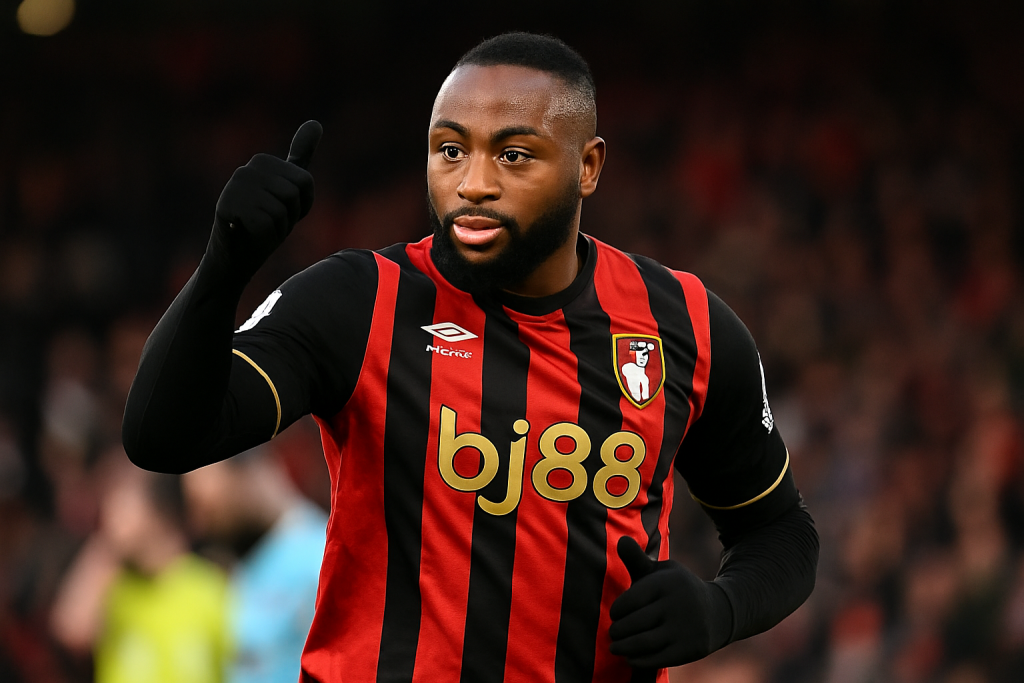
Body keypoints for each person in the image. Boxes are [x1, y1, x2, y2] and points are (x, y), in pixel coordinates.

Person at [122, 31, 819, 682]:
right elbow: (163, 434)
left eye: (513, 155)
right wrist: (222, 268)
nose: (473, 183)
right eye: (450, 150)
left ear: (587, 167)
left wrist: (720, 610)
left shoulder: (685, 323)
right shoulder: (359, 300)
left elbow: (780, 530)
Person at [50, 455, 229, 683]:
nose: (110, 511)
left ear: (158, 510)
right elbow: (71, 631)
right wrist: (108, 544)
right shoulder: (111, 582)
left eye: (122, 499)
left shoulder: (212, 586)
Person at [182, 446, 327, 683]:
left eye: (206, 506)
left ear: (245, 471)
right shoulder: (245, 566)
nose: (201, 525)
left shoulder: (319, 561)